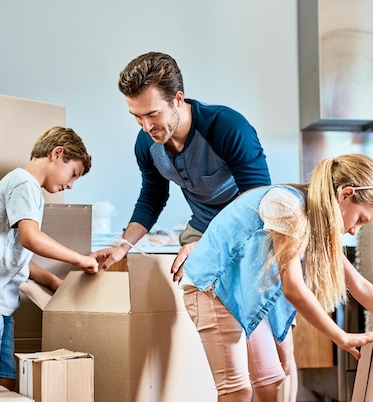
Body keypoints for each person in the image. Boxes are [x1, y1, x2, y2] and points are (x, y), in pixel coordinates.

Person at [91, 51, 298, 400]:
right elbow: (151, 199)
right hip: (203, 233)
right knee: (241, 366)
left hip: (254, 234)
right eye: (136, 117)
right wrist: (123, 244)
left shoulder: (227, 127)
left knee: (279, 353)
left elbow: (257, 202)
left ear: (177, 99)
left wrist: (207, 246)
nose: (146, 126)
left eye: (153, 114)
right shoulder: (147, 143)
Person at [180, 153, 373, 402]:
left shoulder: (317, 218)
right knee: (237, 390)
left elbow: (359, 285)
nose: (354, 231)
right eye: (359, 220)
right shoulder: (288, 206)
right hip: (213, 287)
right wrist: (342, 337)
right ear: (346, 195)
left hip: (242, 294)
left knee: (271, 384)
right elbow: (294, 289)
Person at [0, 126, 98, 391]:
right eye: (73, 174)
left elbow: (16, 256)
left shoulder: (28, 188)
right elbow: (31, 238)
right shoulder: (24, 183)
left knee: (7, 381)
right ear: (57, 153)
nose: (70, 184)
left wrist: (53, 281)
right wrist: (79, 259)